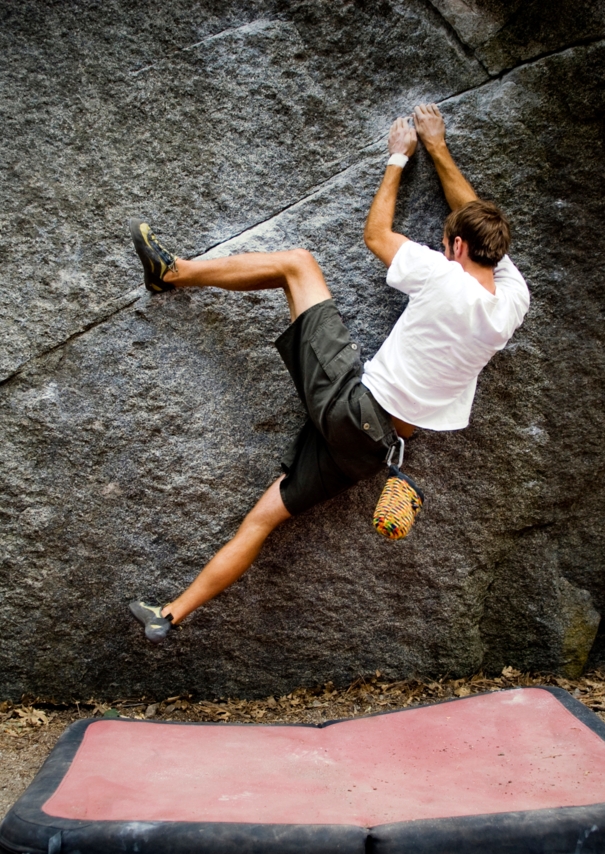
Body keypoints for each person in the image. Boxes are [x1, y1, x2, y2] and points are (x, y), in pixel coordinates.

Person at [129, 103, 529, 643]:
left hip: (350, 406)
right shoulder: (512, 303)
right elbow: (482, 228)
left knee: (298, 264)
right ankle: (170, 614)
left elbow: (377, 234)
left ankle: (172, 274)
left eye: (445, 243)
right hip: (369, 453)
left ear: (454, 248)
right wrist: (440, 149)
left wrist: (401, 156)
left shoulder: (442, 275)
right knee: (264, 519)